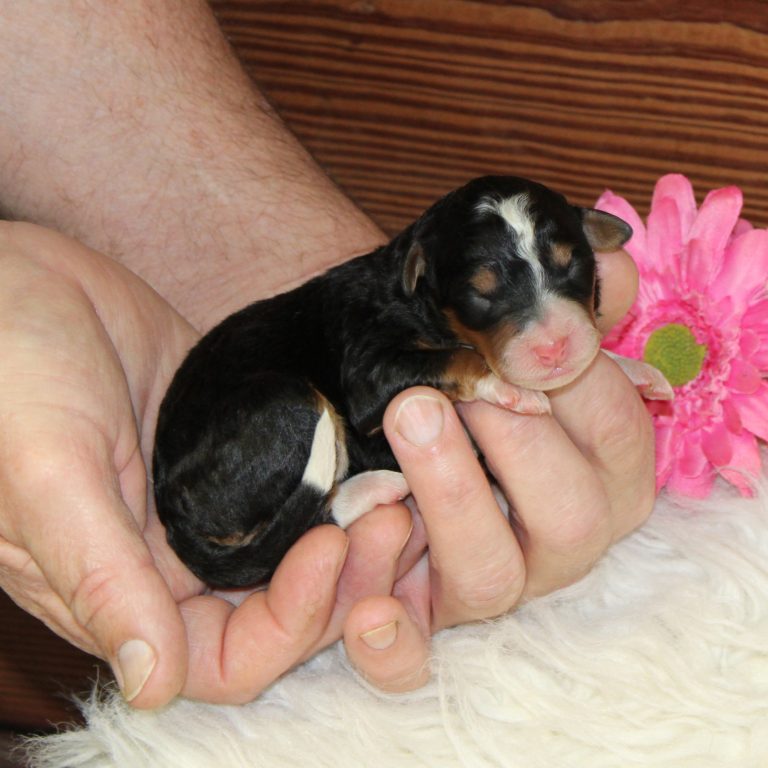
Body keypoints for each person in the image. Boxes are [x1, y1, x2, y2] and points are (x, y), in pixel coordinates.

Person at [0, 0, 655, 709]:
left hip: (268, 428)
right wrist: (475, 377)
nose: (550, 328)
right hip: (232, 447)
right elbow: (378, 391)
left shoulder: (412, 297)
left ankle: (319, 509)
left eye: (567, 273)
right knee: (306, 414)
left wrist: (591, 366)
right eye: (490, 295)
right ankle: (322, 510)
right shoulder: (394, 323)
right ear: (420, 278)